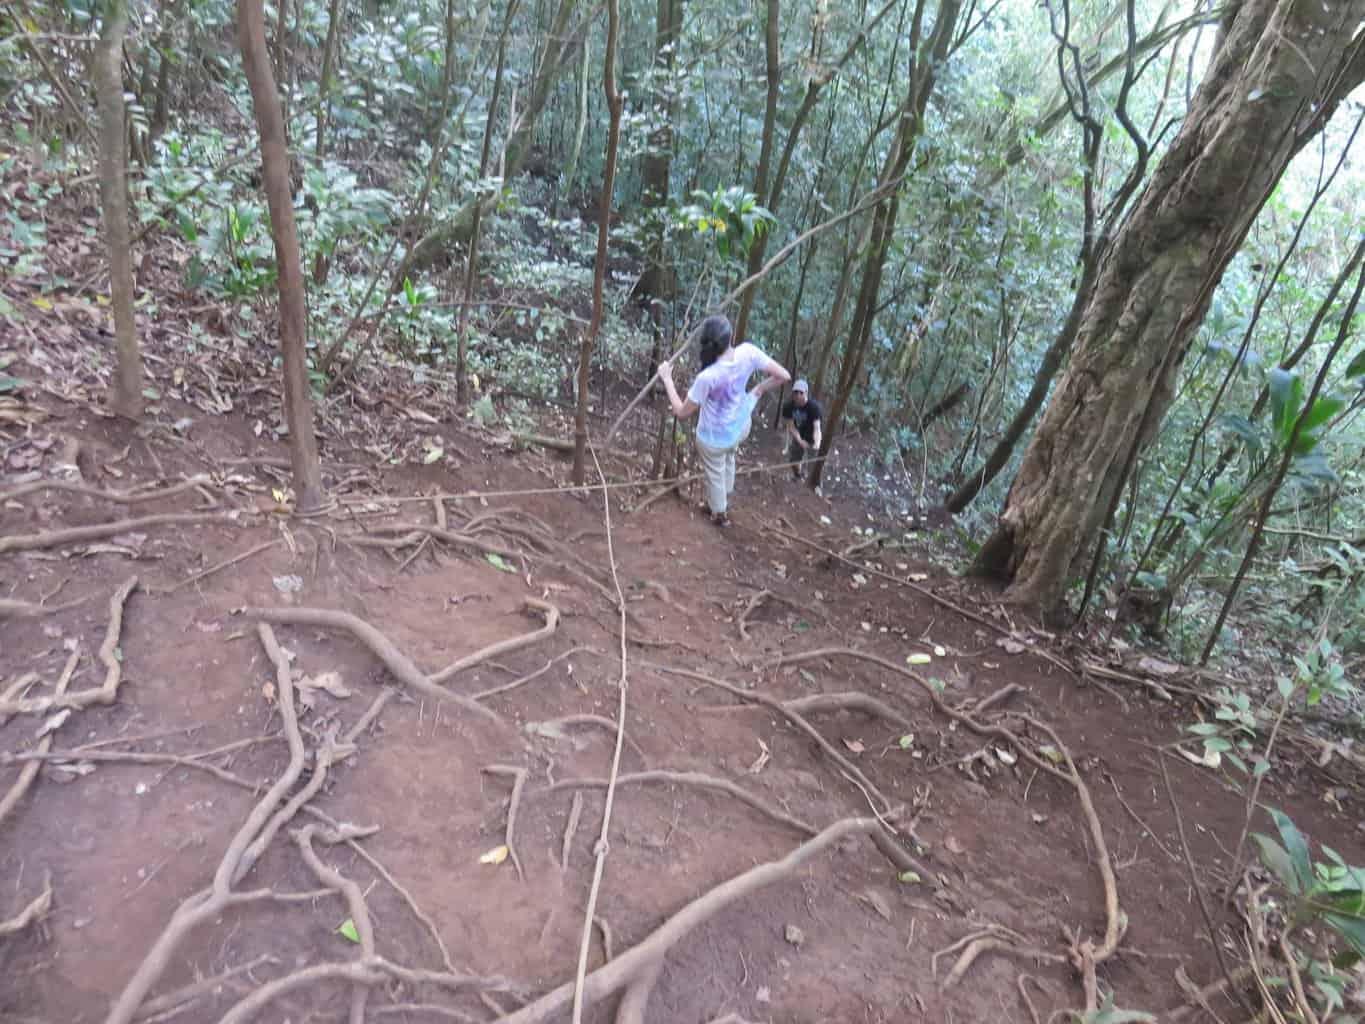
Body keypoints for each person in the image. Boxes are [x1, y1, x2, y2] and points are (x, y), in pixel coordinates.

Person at [657, 315, 790, 527]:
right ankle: (726, 493)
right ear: (731, 337)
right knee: (728, 457)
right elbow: (784, 375)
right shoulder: (748, 352)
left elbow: (681, 412)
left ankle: (719, 514)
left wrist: (667, 379)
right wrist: (758, 390)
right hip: (740, 427)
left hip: (713, 438)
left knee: (715, 474)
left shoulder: (707, 377)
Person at [782, 379, 823, 481]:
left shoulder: (814, 407)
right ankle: (798, 476)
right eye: (795, 392)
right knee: (794, 460)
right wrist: (800, 441)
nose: (798, 395)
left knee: (814, 465)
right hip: (799, 434)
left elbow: (817, 427)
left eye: (801, 392)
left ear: (806, 393)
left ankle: (814, 483)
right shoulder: (788, 406)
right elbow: (791, 426)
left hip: (812, 435)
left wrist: (816, 443)